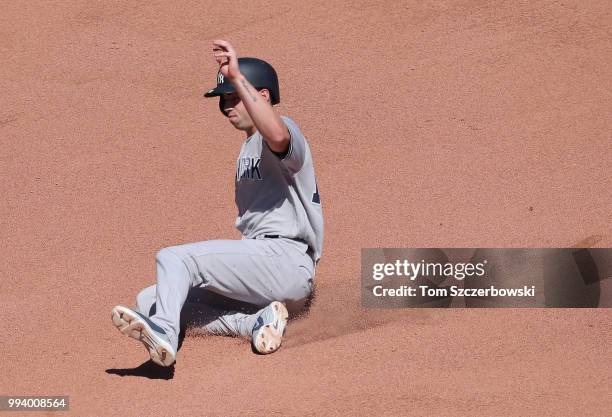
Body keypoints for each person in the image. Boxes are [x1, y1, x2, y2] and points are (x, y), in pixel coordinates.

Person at [111, 40, 323, 367]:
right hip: (264, 274)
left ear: (261, 95)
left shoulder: (284, 131)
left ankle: (165, 332)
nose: (226, 107)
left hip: (285, 260)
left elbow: (278, 137)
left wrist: (237, 76)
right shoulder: (247, 149)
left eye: (233, 97)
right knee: (151, 298)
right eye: (223, 100)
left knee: (174, 258)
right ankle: (256, 322)